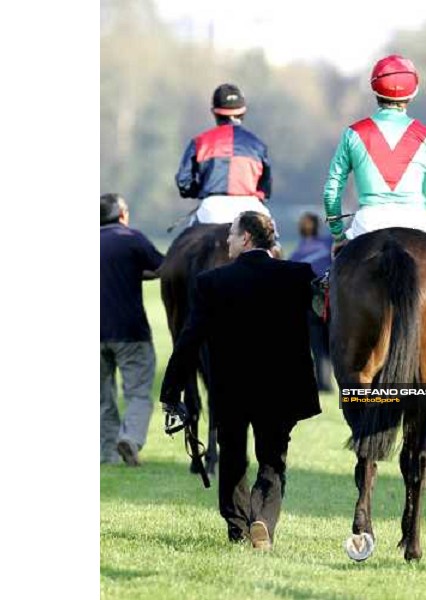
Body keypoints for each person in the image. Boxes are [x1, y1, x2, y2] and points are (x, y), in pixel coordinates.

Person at [160, 211, 321, 550]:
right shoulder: (297, 275)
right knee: (272, 460)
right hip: (281, 389)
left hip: (231, 389)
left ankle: (238, 528)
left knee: (232, 458)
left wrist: (171, 390)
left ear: (246, 238)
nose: (228, 241)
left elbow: (188, 340)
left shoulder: (211, 282)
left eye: (232, 235)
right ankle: (263, 519)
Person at [322, 54, 426, 307]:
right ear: (413, 94)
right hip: (416, 221)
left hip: (367, 224)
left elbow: (332, 190)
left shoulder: (353, 134)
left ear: (374, 89)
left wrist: (337, 236)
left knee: (327, 293)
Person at [100, 194, 164, 466]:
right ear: (122, 213)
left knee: (102, 398)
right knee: (138, 392)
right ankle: (130, 437)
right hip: (131, 332)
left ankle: (106, 455)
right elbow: (164, 267)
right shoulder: (132, 238)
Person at [175, 83, 273, 227]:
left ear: (214, 112)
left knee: (184, 243)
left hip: (211, 208)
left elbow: (183, 182)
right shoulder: (258, 145)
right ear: (243, 112)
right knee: (272, 244)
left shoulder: (199, 142)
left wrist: (200, 190)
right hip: (250, 207)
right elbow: (266, 187)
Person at [289, 213, 333, 391]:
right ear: (317, 227)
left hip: (310, 301)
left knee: (317, 345)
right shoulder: (328, 243)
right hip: (331, 297)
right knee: (333, 341)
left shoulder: (295, 254)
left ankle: (323, 383)